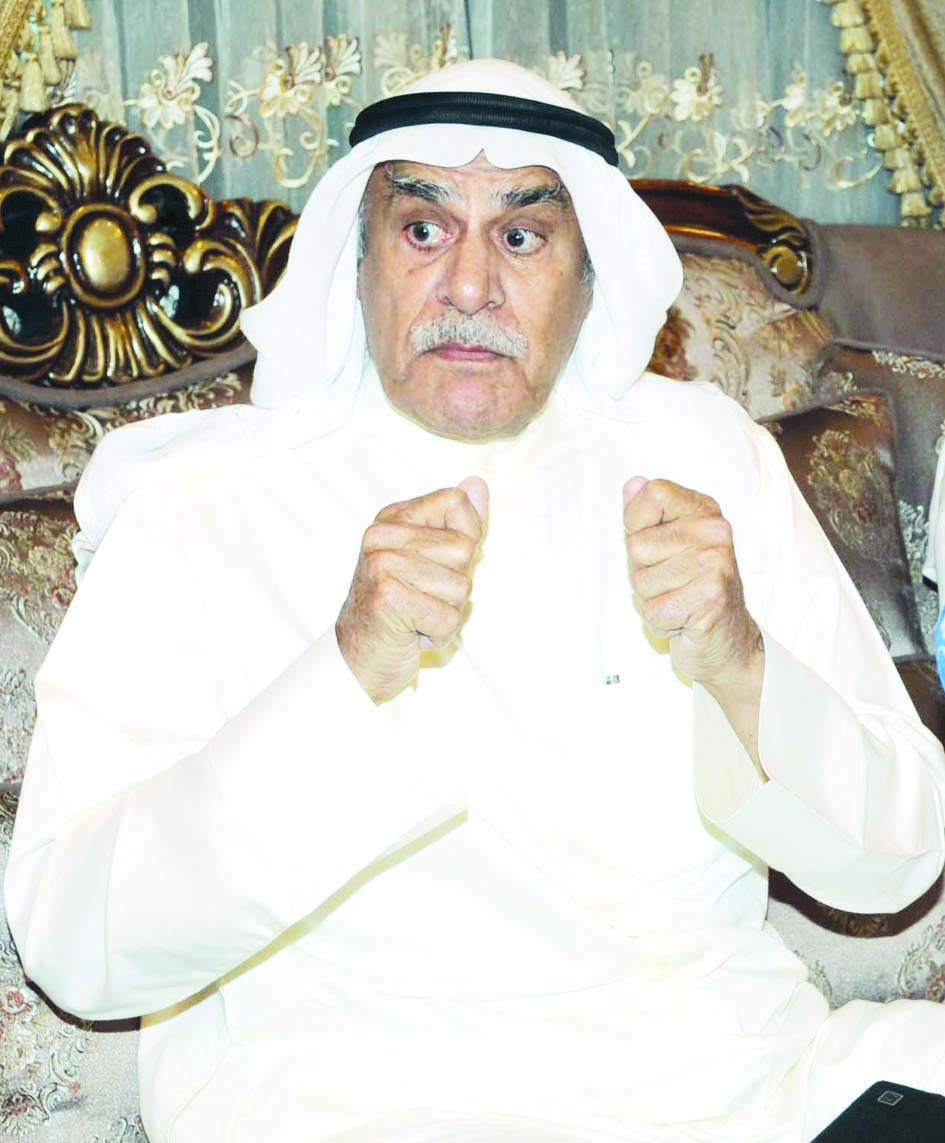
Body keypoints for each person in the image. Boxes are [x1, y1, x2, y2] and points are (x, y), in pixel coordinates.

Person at [5, 59, 945, 1143]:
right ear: (358, 260)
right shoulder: (202, 503)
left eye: (522, 236)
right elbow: (77, 943)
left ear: (589, 275)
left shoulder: (705, 457)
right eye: (422, 229)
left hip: (733, 1089)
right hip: (361, 1108)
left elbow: (897, 857)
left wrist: (738, 657)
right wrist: (344, 672)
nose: (466, 286)